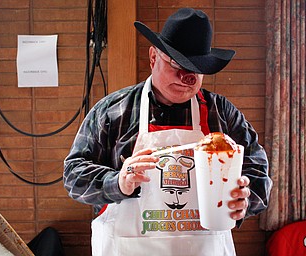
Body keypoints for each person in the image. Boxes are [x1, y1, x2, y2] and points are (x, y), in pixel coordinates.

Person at [64, 8, 272, 256]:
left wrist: (243, 202)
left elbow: (259, 175)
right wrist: (118, 181)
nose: (187, 77)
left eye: (196, 67)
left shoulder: (222, 114)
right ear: (153, 57)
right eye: (177, 64)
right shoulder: (113, 112)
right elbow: (73, 176)